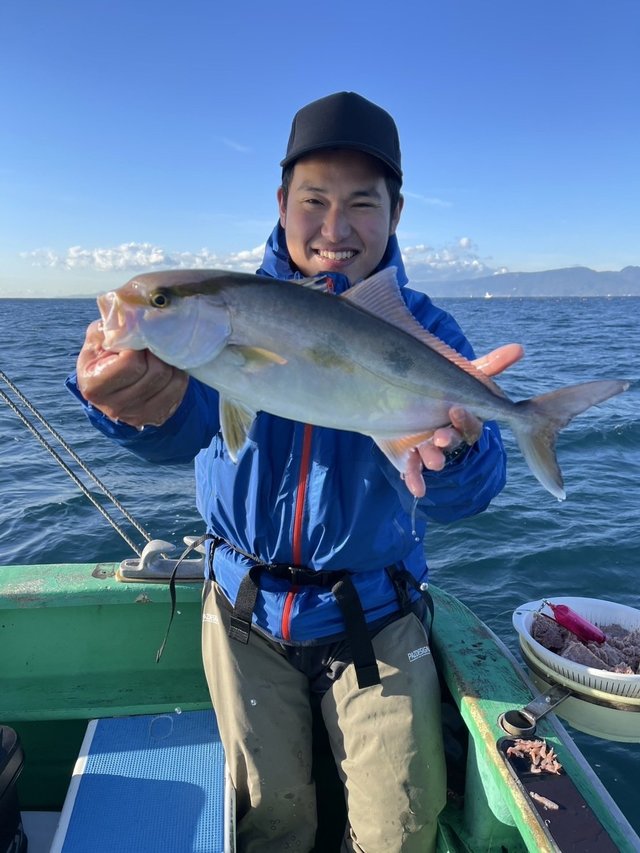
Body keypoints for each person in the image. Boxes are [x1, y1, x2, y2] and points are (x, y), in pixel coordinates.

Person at [68, 92, 518, 852]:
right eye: (313, 201)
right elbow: (178, 430)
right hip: (244, 617)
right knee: (267, 821)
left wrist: (462, 450)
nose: (335, 229)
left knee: (399, 829)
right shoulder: (227, 315)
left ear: (396, 213)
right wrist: (123, 406)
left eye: (361, 204)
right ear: (281, 203)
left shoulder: (428, 333)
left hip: (377, 619)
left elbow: (470, 494)